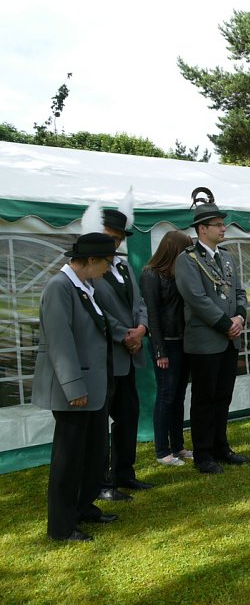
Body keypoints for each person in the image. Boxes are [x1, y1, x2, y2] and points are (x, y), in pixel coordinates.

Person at [32, 232, 121, 542]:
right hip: (73, 389)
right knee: (69, 460)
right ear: (91, 260)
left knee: (94, 454)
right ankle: (61, 527)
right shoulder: (59, 287)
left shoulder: (84, 286)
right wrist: (73, 387)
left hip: (94, 386)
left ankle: (83, 508)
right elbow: (60, 342)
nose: (109, 268)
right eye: (107, 262)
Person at [175, 194, 250, 472]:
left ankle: (221, 446)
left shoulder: (227, 257)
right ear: (202, 229)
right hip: (206, 341)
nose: (223, 228)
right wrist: (226, 324)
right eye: (217, 224)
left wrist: (240, 316)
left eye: (222, 224)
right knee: (204, 400)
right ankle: (203, 454)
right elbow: (196, 299)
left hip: (229, 340)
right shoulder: (187, 260)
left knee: (223, 396)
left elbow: (239, 291)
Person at [92, 208, 151, 501]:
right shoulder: (90, 269)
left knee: (128, 417)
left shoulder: (125, 266)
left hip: (129, 356)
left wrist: (141, 329)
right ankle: (102, 484)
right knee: (100, 423)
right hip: (106, 357)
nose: (114, 243)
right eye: (109, 237)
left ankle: (124, 473)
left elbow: (140, 303)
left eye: (118, 239)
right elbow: (97, 311)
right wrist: (124, 335)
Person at [140, 230, 194, 466]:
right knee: (166, 396)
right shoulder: (151, 274)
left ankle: (178, 446)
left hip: (182, 342)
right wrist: (159, 350)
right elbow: (152, 315)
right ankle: (163, 451)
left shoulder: (178, 274)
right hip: (166, 344)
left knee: (178, 396)